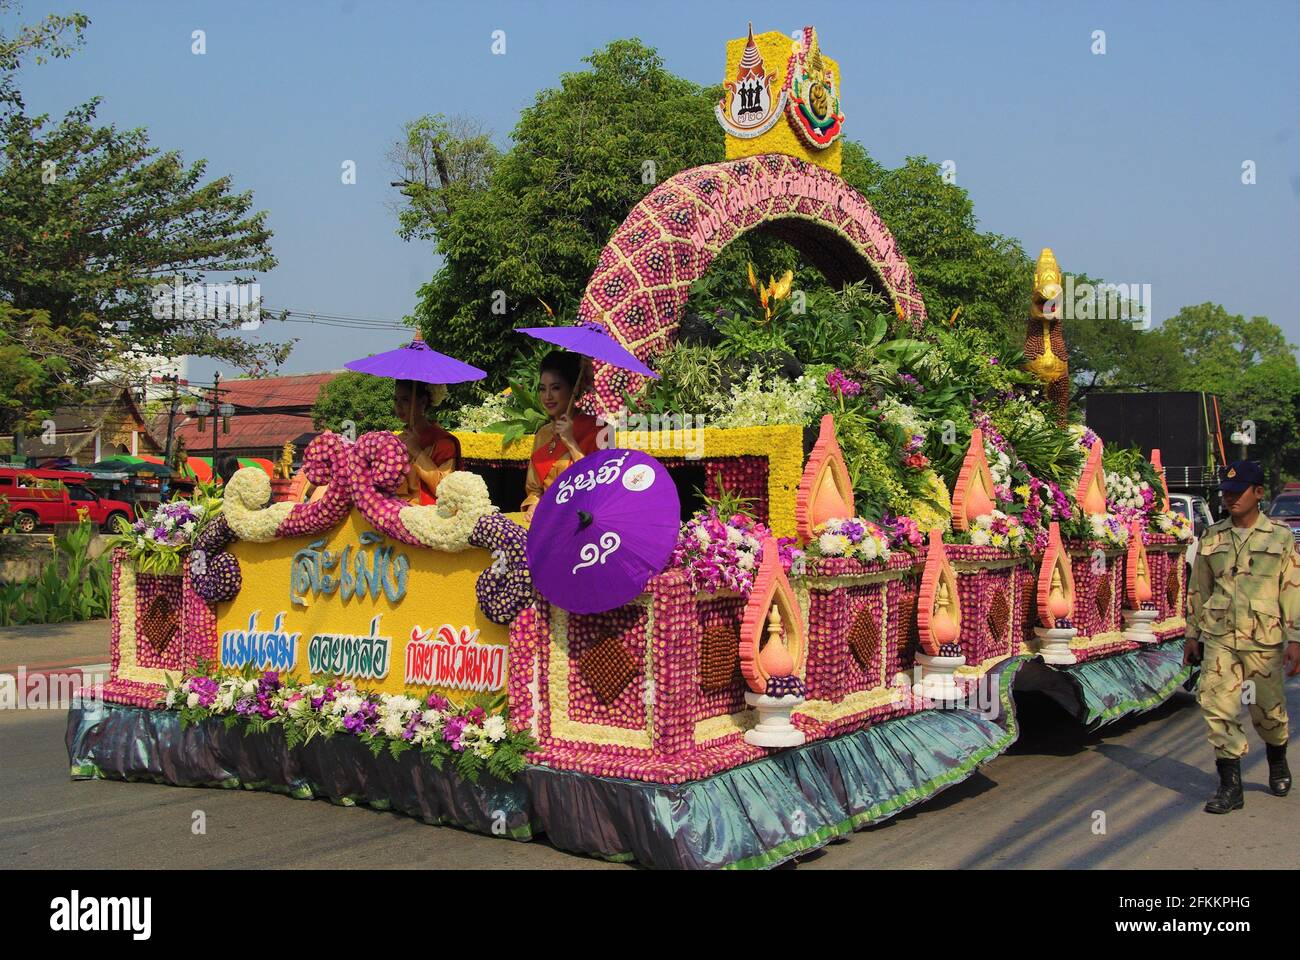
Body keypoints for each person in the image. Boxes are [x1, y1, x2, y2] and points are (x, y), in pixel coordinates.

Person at [1184, 459, 1300, 813]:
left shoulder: (1279, 537)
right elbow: (1197, 589)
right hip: (1219, 636)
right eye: (1226, 492)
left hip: (1264, 639)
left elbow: (1292, 588)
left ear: (1259, 493)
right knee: (1216, 706)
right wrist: (1192, 634)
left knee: (1269, 713)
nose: (1230, 497)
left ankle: (1277, 757)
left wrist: (1295, 638)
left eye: (1238, 492)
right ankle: (1230, 785)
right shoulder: (1212, 536)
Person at [520, 350, 602, 519]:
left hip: (585, 519)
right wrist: (534, 504)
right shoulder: (543, 434)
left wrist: (571, 442)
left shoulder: (598, 431)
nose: (547, 396)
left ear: (574, 389)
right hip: (548, 520)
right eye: (542, 389)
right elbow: (535, 490)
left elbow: (597, 485)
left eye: (556, 388)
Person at [394, 379, 461, 505]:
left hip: (431, 515)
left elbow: (445, 490)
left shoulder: (443, 443)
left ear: (423, 402)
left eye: (405, 400)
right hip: (398, 510)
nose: (398, 406)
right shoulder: (399, 439)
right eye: (395, 400)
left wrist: (417, 452)